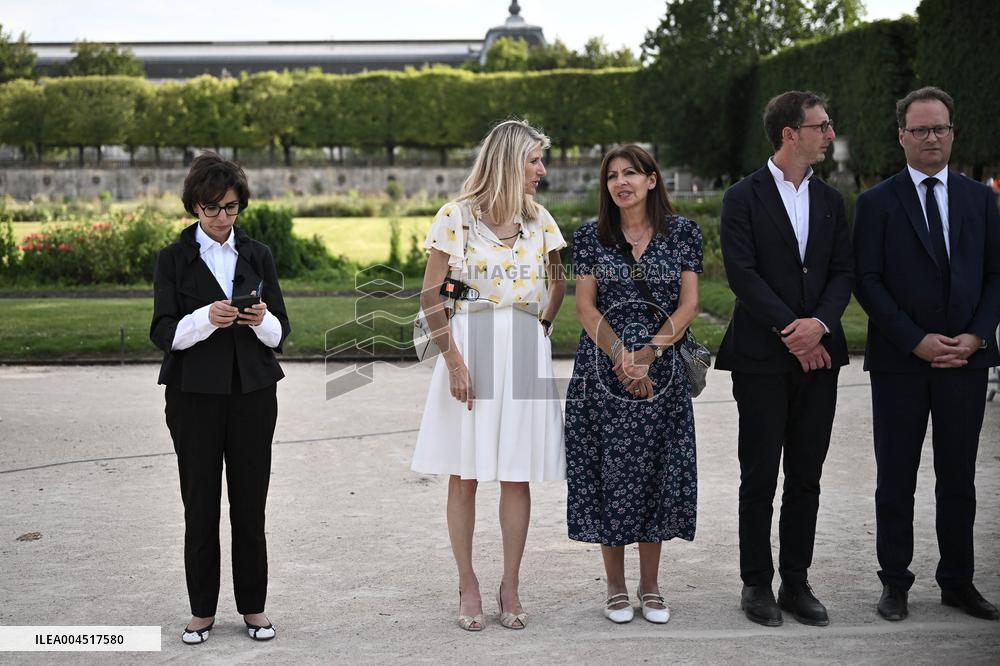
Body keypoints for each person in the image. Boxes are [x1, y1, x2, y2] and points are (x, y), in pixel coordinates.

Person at [410, 119, 567, 631]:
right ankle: (468, 582)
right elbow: (432, 295)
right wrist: (453, 360)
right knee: (465, 472)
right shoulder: (455, 216)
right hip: (470, 347)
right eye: (534, 159)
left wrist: (538, 330)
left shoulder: (540, 219)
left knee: (517, 473)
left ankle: (511, 584)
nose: (542, 169)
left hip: (523, 348)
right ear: (508, 160)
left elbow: (558, 282)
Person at [853, 86, 1000, 622]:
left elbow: (995, 274)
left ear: (952, 133)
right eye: (920, 129)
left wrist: (978, 336)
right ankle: (895, 583)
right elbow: (866, 281)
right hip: (900, 363)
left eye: (939, 128)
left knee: (958, 478)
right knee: (896, 477)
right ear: (902, 137)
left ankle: (957, 582)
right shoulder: (875, 203)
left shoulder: (981, 199)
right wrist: (914, 339)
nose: (931, 137)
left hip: (966, 358)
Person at [716, 91, 853, 627]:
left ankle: (796, 583)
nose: (830, 133)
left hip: (820, 356)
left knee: (807, 475)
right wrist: (790, 329)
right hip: (761, 358)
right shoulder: (742, 197)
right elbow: (742, 274)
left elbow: (843, 271)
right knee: (759, 475)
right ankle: (756, 585)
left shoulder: (832, 201)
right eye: (821, 125)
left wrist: (818, 326)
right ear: (789, 133)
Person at [150, 152, 290, 644]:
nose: (222, 218)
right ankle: (202, 611)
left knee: (250, 506)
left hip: (253, 394)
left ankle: (253, 607)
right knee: (200, 505)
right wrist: (204, 319)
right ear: (194, 207)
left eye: (230, 208)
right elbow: (163, 332)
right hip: (193, 397)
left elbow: (281, 332)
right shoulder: (173, 259)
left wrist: (262, 321)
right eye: (211, 209)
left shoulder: (259, 255)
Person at [565, 144, 702, 625]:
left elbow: (688, 306)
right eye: (612, 176)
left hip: (660, 371)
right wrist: (623, 358)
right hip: (603, 372)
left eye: (631, 173)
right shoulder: (590, 237)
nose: (621, 182)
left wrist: (647, 356)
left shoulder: (683, 233)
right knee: (610, 474)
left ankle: (651, 586)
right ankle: (616, 587)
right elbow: (584, 307)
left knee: (655, 473)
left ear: (651, 179)